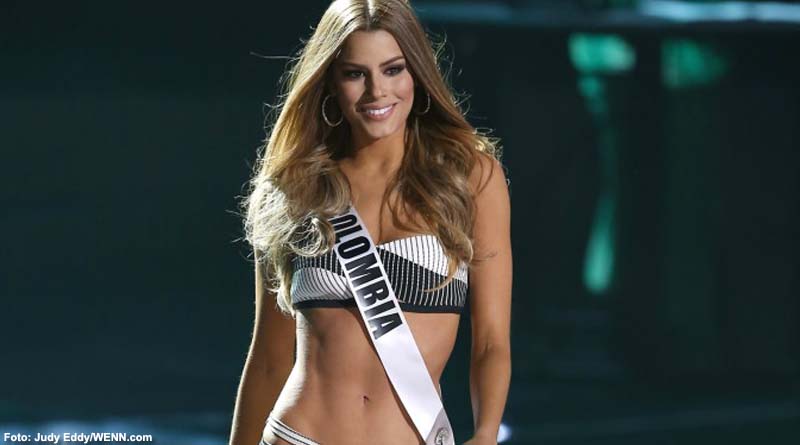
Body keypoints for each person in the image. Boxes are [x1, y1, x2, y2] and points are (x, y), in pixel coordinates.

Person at [228, 1, 512, 444]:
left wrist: (486, 432)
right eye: (355, 74)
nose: (377, 92)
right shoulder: (297, 186)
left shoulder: (471, 178)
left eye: (393, 69)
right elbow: (268, 358)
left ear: (417, 72)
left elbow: (492, 342)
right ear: (330, 82)